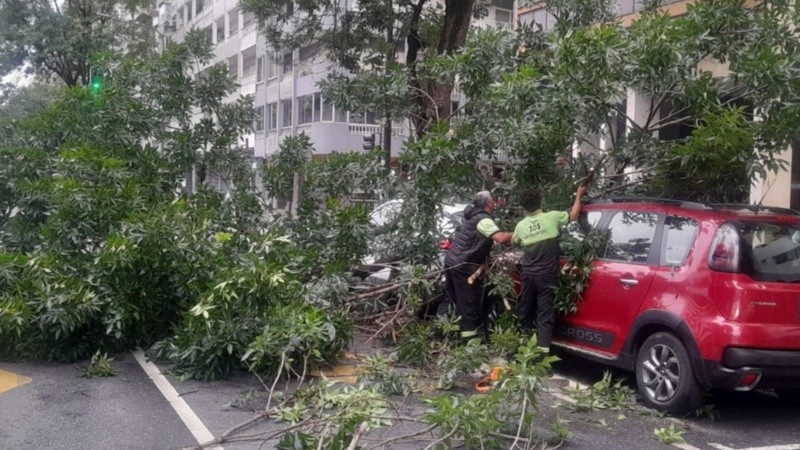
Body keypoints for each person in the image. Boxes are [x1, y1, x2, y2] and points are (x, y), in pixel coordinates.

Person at [512, 183, 588, 353]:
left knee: (525, 313)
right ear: (541, 202)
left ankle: (523, 353)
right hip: (547, 277)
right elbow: (574, 215)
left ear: (524, 207)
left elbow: (514, 241)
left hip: (528, 277)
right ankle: (541, 359)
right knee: (544, 317)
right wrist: (578, 195)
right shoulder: (552, 217)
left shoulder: (521, 226)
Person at [444, 191, 513, 339]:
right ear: (488, 203)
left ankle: (445, 334)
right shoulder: (483, 220)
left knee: (452, 299)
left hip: (453, 262)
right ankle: (470, 343)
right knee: (469, 304)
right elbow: (500, 238)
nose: (495, 202)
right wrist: (521, 233)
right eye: (493, 200)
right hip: (463, 266)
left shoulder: (474, 217)